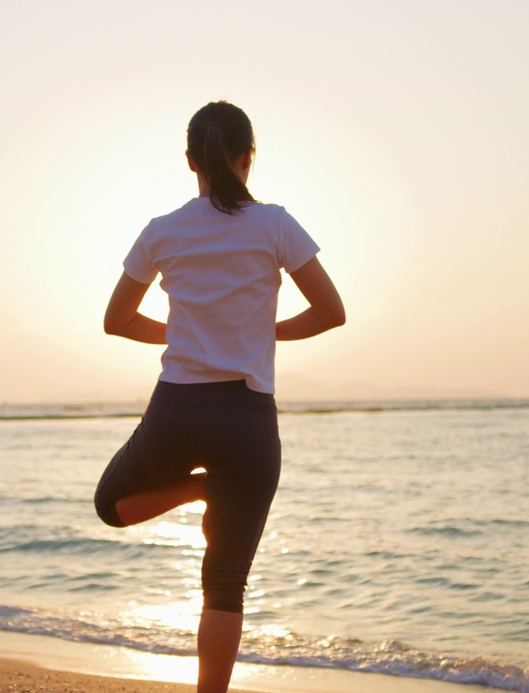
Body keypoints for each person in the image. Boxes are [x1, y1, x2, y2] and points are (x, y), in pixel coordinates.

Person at [94, 100, 346, 693]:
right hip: (247, 420)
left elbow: (117, 320)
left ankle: (198, 490)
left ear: (190, 162)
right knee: (225, 581)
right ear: (247, 158)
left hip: (177, 409)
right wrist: (265, 330)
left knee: (112, 505)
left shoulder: (162, 231)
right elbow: (331, 313)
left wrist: (183, 331)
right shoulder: (275, 224)